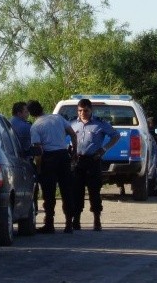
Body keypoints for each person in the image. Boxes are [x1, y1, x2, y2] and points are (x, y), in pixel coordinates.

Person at [28, 100, 78, 234]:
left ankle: (49, 223)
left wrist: (38, 168)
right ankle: (69, 223)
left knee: (49, 193)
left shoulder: (35, 126)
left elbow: (38, 151)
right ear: (42, 107)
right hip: (63, 156)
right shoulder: (58, 118)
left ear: (31, 114)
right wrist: (74, 152)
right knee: (66, 190)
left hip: (48, 159)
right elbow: (73, 134)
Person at [71, 98, 121, 231]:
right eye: (80, 110)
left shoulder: (100, 124)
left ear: (90, 110)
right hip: (78, 161)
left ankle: (97, 219)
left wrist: (104, 149)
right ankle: (76, 219)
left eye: (85, 110)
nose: (82, 113)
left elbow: (116, 136)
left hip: (93, 161)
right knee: (77, 191)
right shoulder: (73, 124)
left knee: (94, 191)